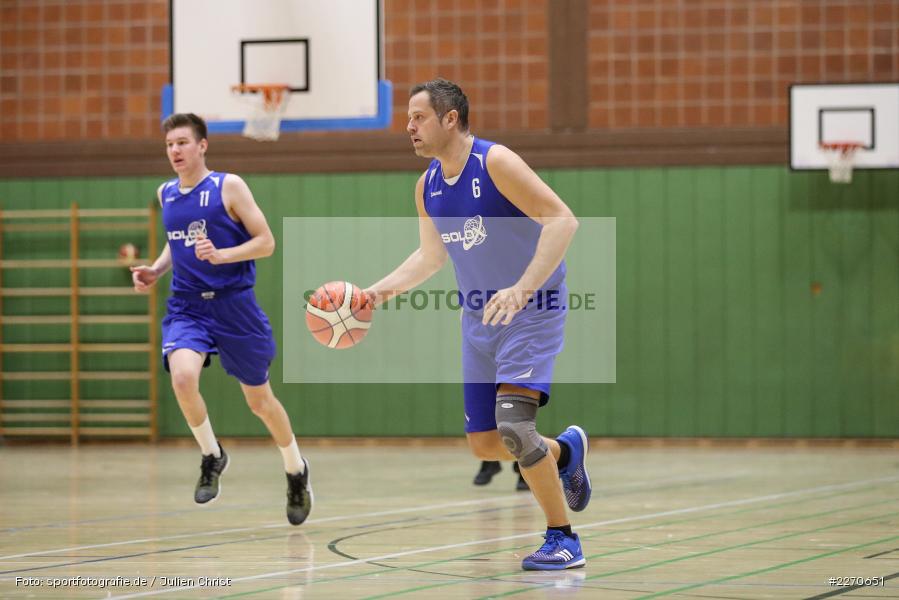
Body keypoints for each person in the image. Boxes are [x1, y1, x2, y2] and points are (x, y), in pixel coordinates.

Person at [363, 79, 591, 570]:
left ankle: (563, 538)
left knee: (514, 426)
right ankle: (565, 453)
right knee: (486, 443)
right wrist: (377, 292)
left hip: (533, 309)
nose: (409, 126)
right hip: (479, 320)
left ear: (450, 119)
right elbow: (430, 256)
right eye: (408, 118)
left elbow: (562, 220)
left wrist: (522, 288)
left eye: (418, 117)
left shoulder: (495, 163)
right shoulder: (427, 186)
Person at [131, 113, 312, 525]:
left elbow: (266, 242)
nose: (174, 151)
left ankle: (296, 470)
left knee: (260, 403)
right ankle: (212, 455)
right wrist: (156, 270)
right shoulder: (167, 193)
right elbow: (177, 244)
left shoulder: (228, 186)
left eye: (182, 143)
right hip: (188, 306)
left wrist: (223, 255)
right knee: (182, 377)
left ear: (202, 146)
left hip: (234, 305)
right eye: (169, 145)